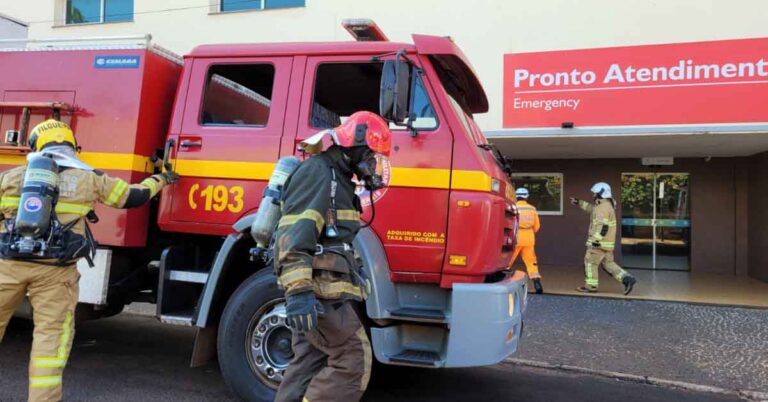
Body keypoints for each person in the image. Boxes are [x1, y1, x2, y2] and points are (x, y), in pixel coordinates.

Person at [0, 119, 178, 402]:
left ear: (36, 146)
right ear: (71, 146)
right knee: (50, 343)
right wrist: (162, 179)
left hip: (7, 267)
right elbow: (134, 197)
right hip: (55, 274)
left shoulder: (11, 177)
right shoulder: (89, 179)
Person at [273, 111, 391, 402]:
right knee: (353, 360)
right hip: (321, 292)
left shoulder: (340, 180)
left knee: (307, 363)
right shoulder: (319, 172)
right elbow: (293, 236)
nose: (374, 165)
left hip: (325, 291)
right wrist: (299, 294)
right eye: (373, 156)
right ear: (358, 145)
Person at [570, 182, 636, 295]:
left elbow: (603, 226)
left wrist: (596, 240)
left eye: (595, 193)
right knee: (608, 264)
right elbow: (592, 209)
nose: (593, 195)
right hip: (606, 244)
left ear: (601, 193)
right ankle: (627, 279)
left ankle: (591, 286)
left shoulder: (603, 207)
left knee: (590, 262)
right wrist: (579, 202)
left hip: (599, 244)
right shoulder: (604, 205)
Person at [510, 188, 543, 294]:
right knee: (531, 262)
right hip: (529, 238)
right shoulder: (532, 209)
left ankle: (500, 282)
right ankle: (537, 284)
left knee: (508, 261)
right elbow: (537, 227)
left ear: (516, 196)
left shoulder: (513, 208)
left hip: (515, 237)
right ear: (526, 196)